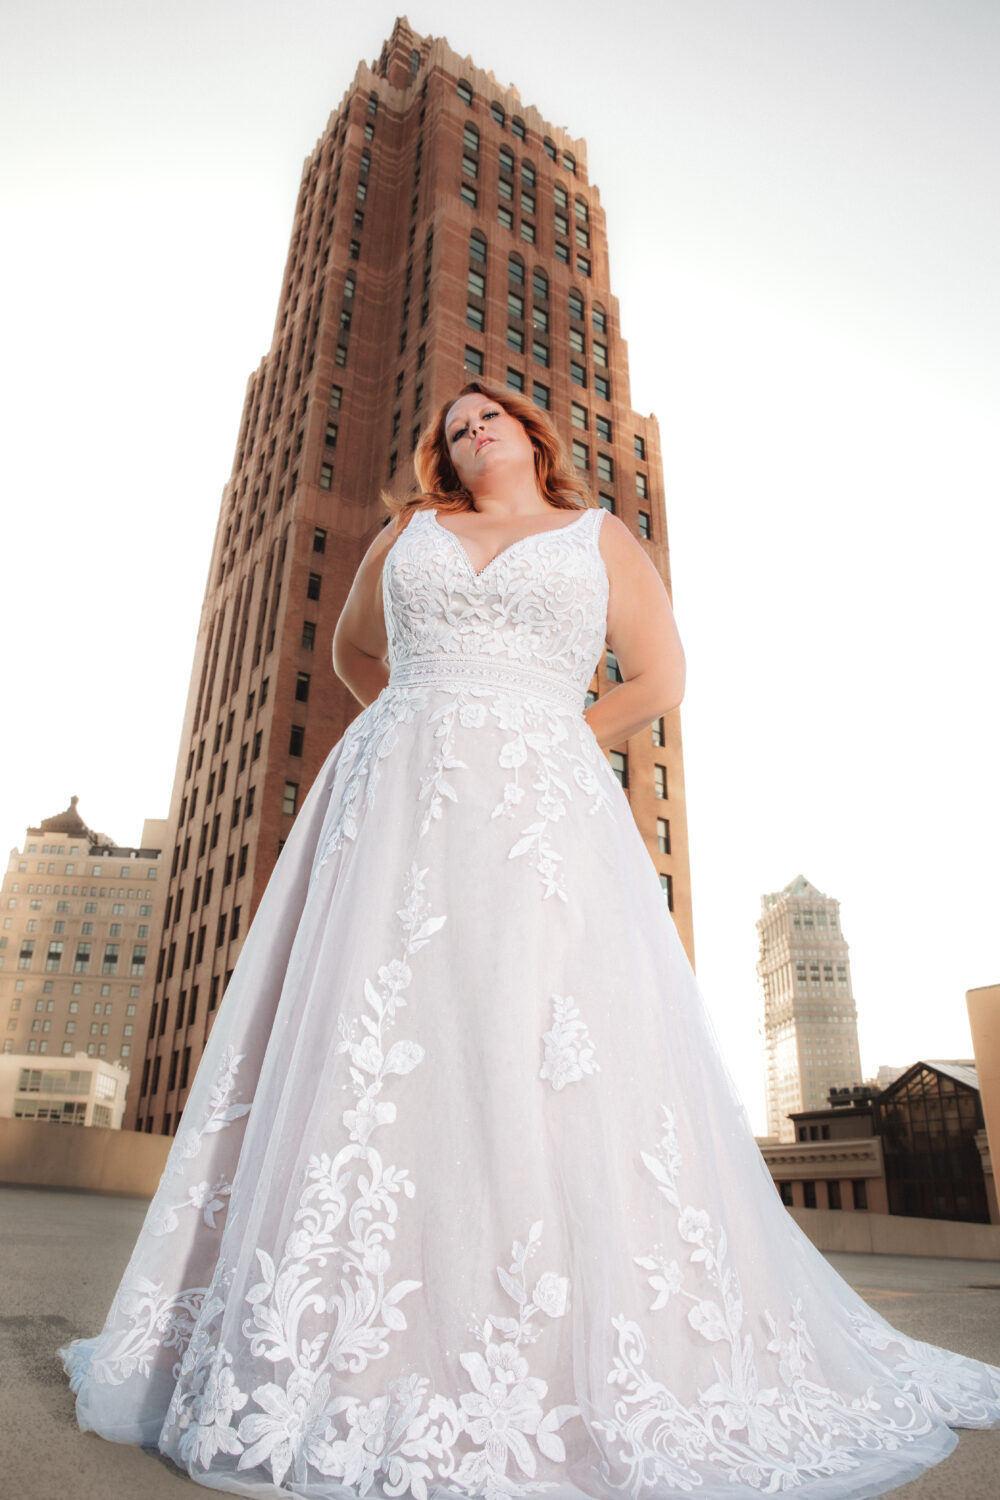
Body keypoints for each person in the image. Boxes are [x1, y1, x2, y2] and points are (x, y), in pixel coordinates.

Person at [60, 381, 1000, 1499]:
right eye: (452, 430)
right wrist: (411, 724)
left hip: (540, 811)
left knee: (530, 1035)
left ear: (529, 431)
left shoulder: (598, 536)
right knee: (388, 1035)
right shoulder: (410, 534)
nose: (470, 434)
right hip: (400, 805)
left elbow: (660, 677)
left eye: (486, 416)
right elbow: (355, 654)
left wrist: (550, 730)